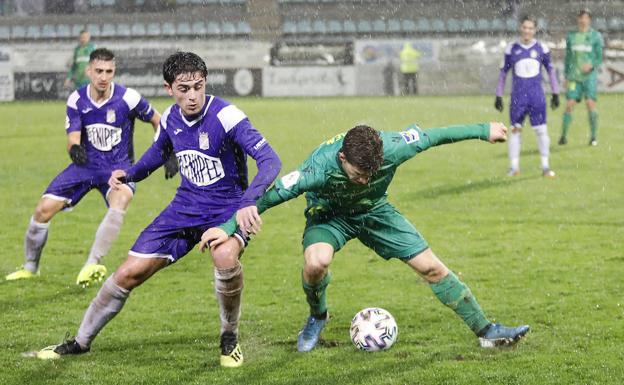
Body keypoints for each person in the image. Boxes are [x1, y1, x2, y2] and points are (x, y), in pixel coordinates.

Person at [34, 52, 281, 368]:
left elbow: (270, 160)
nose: (192, 96)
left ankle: (228, 336)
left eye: (198, 86)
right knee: (127, 272)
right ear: (169, 88)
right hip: (183, 209)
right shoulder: (170, 118)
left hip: (228, 210)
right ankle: (80, 342)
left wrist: (249, 201)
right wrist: (131, 173)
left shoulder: (227, 116)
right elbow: (159, 151)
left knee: (224, 256)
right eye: (183, 88)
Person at [202, 122, 530, 352]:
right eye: (359, 175)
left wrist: (482, 130)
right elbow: (270, 197)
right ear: (343, 159)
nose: (364, 180)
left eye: (370, 174)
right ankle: (318, 316)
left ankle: (487, 331)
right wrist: (227, 227)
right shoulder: (316, 170)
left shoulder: (393, 147)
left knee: (432, 267)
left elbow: (433, 136)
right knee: (316, 263)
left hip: (375, 213)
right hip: (330, 215)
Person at [6, 48, 171, 287]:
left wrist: (165, 153)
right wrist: (74, 149)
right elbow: (72, 138)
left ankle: (92, 263)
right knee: (43, 210)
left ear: (114, 72)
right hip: (85, 167)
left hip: (117, 168)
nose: (103, 77)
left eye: (109, 71)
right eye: (99, 71)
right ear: (89, 71)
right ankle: (30, 268)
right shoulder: (77, 99)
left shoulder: (128, 98)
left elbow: (157, 120)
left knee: (121, 198)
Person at [495, 15, 560, 177]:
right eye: (524, 27)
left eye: (530, 28)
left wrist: (555, 92)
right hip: (518, 97)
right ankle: (514, 168)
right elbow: (503, 73)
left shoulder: (542, 48)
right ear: (520, 28)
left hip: (536, 96)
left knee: (541, 131)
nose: (527, 31)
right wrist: (498, 95)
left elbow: (551, 71)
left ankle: (545, 166)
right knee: (515, 130)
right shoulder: (511, 49)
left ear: (535, 30)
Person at [559, 9, 604, 146]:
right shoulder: (571, 36)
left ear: (589, 20)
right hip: (574, 78)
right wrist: (566, 76)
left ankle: (593, 137)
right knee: (569, 105)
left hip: (589, 77)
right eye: (581, 17)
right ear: (578, 19)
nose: (583, 20)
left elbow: (599, 57)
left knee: (590, 104)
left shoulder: (596, 36)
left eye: (586, 17)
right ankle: (563, 136)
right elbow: (568, 58)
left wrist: (591, 65)